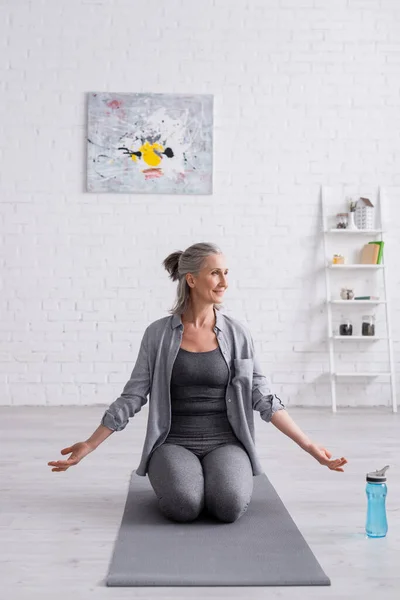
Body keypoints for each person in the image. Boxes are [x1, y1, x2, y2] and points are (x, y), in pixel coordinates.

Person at [48, 242, 348, 523]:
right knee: (185, 505)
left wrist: (308, 445)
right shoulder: (158, 335)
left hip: (226, 441)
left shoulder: (238, 334)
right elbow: (134, 396)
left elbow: (263, 397)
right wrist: (90, 443)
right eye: (215, 273)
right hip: (173, 441)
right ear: (191, 280)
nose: (224, 281)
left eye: (226, 273)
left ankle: (212, 478)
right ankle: (180, 478)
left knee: (228, 506)